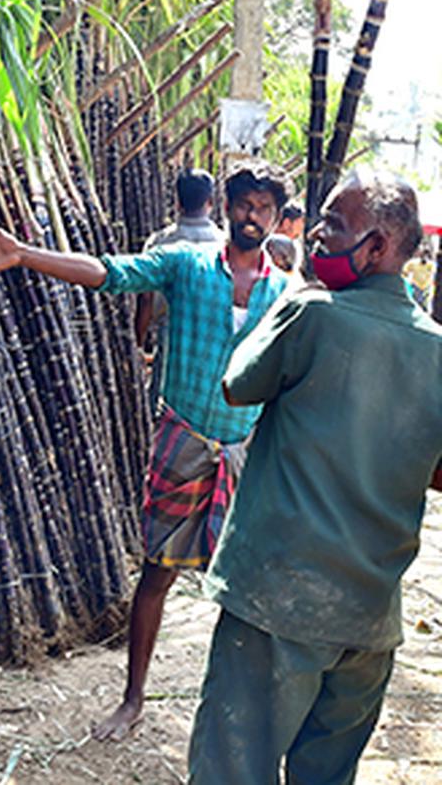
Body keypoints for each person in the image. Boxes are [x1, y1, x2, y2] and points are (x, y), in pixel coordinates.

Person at [0, 161, 292, 742]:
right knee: (157, 575)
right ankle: (133, 699)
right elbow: (108, 273)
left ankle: (237, 711)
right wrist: (26, 255)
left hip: (243, 452)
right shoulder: (187, 266)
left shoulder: (285, 294)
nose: (252, 216)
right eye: (244, 204)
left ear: (276, 216)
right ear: (226, 206)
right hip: (184, 441)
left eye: (263, 207)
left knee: (245, 587)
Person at [187, 169, 442, 784]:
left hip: (277, 602)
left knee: (231, 769)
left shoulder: (311, 313)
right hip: (369, 621)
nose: (318, 238)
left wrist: (298, 294)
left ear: (378, 246)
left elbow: (236, 383)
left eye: (335, 226)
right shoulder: (437, 349)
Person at [134, 168, 225, 349]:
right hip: (214, 334)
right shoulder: (225, 244)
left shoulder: (159, 242)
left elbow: (146, 299)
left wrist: (139, 343)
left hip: (171, 336)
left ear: (177, 203)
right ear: (211, 202)